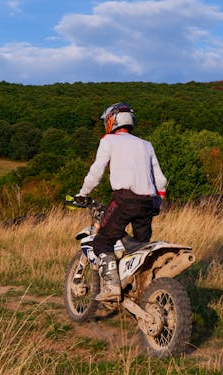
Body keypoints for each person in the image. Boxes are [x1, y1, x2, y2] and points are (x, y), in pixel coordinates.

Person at [73, 102, 167, 302]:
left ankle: (111, 286)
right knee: (141, 249)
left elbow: (97, 171)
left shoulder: (109, 140)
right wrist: (157, 205)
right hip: (148, 203)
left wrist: (83, 193)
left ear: (113, 120)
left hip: (124, 200)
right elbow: (161, 181)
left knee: (102, 242)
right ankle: (141, 292)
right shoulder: (146, 145)